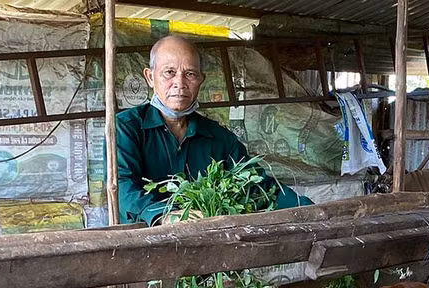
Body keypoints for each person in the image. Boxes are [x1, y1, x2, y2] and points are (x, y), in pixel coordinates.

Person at [116, 35, 313, 226]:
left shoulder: (219, 138)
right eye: (169, 72)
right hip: (144, 240)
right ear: (150, 77)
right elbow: (122, 185)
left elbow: (259, 187)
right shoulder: (126, 127)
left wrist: (309, 210)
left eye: (190, 74)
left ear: (201, 80)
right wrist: (164, 215)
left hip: (208, 239)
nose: (180, 83)